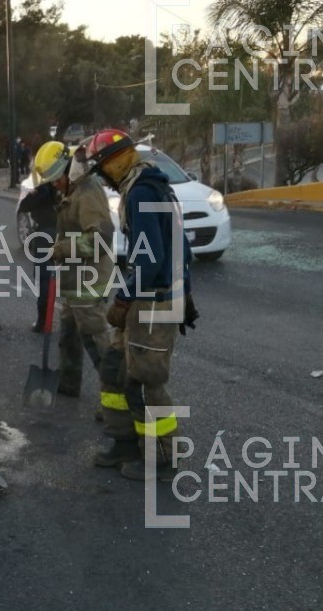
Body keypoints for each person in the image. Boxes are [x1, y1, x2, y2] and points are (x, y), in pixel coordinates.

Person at [87, 129, 195, 481]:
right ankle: (124, 441)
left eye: (102, 168)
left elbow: (151, 261)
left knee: (146, 383)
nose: (101, 176)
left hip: (152, 303)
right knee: (114, 368)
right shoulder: (155, 186)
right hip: (150, 298)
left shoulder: (142, 193)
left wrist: (124, 297)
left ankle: (163, 458)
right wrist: (187, 295)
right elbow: (183, 249)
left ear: (116, 162)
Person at [39, 146, 115, 400]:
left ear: (68, 170)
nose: (55, 186)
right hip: (75, 277)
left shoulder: (88, 192)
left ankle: (116, 398)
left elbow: (101, 241)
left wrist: (61, 249)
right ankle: (68, 381)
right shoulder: (71, 189)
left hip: (91, 278)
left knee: (95, 338)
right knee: (69, 332)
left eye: (56, 180)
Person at [20, 142, 62, 333]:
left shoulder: (43, 188)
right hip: (54, 230)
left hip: (45, 232)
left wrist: (32, 194)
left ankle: (43, 320)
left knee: (44, 276)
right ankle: (47, 318)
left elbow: (24, 206)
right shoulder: (55, 185)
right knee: (49, 276)